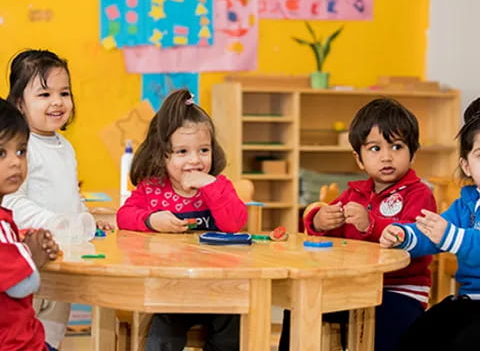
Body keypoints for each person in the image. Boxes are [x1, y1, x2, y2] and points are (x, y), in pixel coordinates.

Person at [279, 98, 436, 351]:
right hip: (354, 286)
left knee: (384, 328)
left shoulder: (419, 194)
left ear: (413, 152)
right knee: (299, 306)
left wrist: (371, 224)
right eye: (375, 149)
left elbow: (415, 238)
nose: (386, 157)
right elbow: (318, 229)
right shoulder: (354, 193)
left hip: (400, 290)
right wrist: (319, 220)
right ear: (359, 158)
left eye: (396, 146)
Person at [117, 88, 246, 350]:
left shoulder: (219, 185)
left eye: (203, 150)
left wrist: (209, 186)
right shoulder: (153, 189)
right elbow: (124, 215)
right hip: (170, 291)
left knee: (233, 331)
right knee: (163, 336)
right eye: (182, 152)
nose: (195, 160)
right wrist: (153, 220)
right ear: (162, 154)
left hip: (219, 290)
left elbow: (235, 222)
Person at [2, 49, 112, 350]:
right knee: (21, 329)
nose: (57, 101)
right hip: (30, 259)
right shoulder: (22, 148)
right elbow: (12, 202)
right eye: (44, 93)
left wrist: (83, 215)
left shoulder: (65, 146)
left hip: (62, 256)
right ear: (19, 103)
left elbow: (69, 193)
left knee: (50, 336)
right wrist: (53, 222)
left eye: (64, 92)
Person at [380, 97, 480, 351]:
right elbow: (431, 231)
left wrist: (452, 237)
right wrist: (404, 235)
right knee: (416, 337)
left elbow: (450, 236)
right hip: (469, 301)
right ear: (466, 166)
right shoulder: (466, 205)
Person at [0, 97, 60, 351]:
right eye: (1, 153)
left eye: (21, 151)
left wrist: (27, 242)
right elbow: (23, 283)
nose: (15, 161)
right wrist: (32, 253)